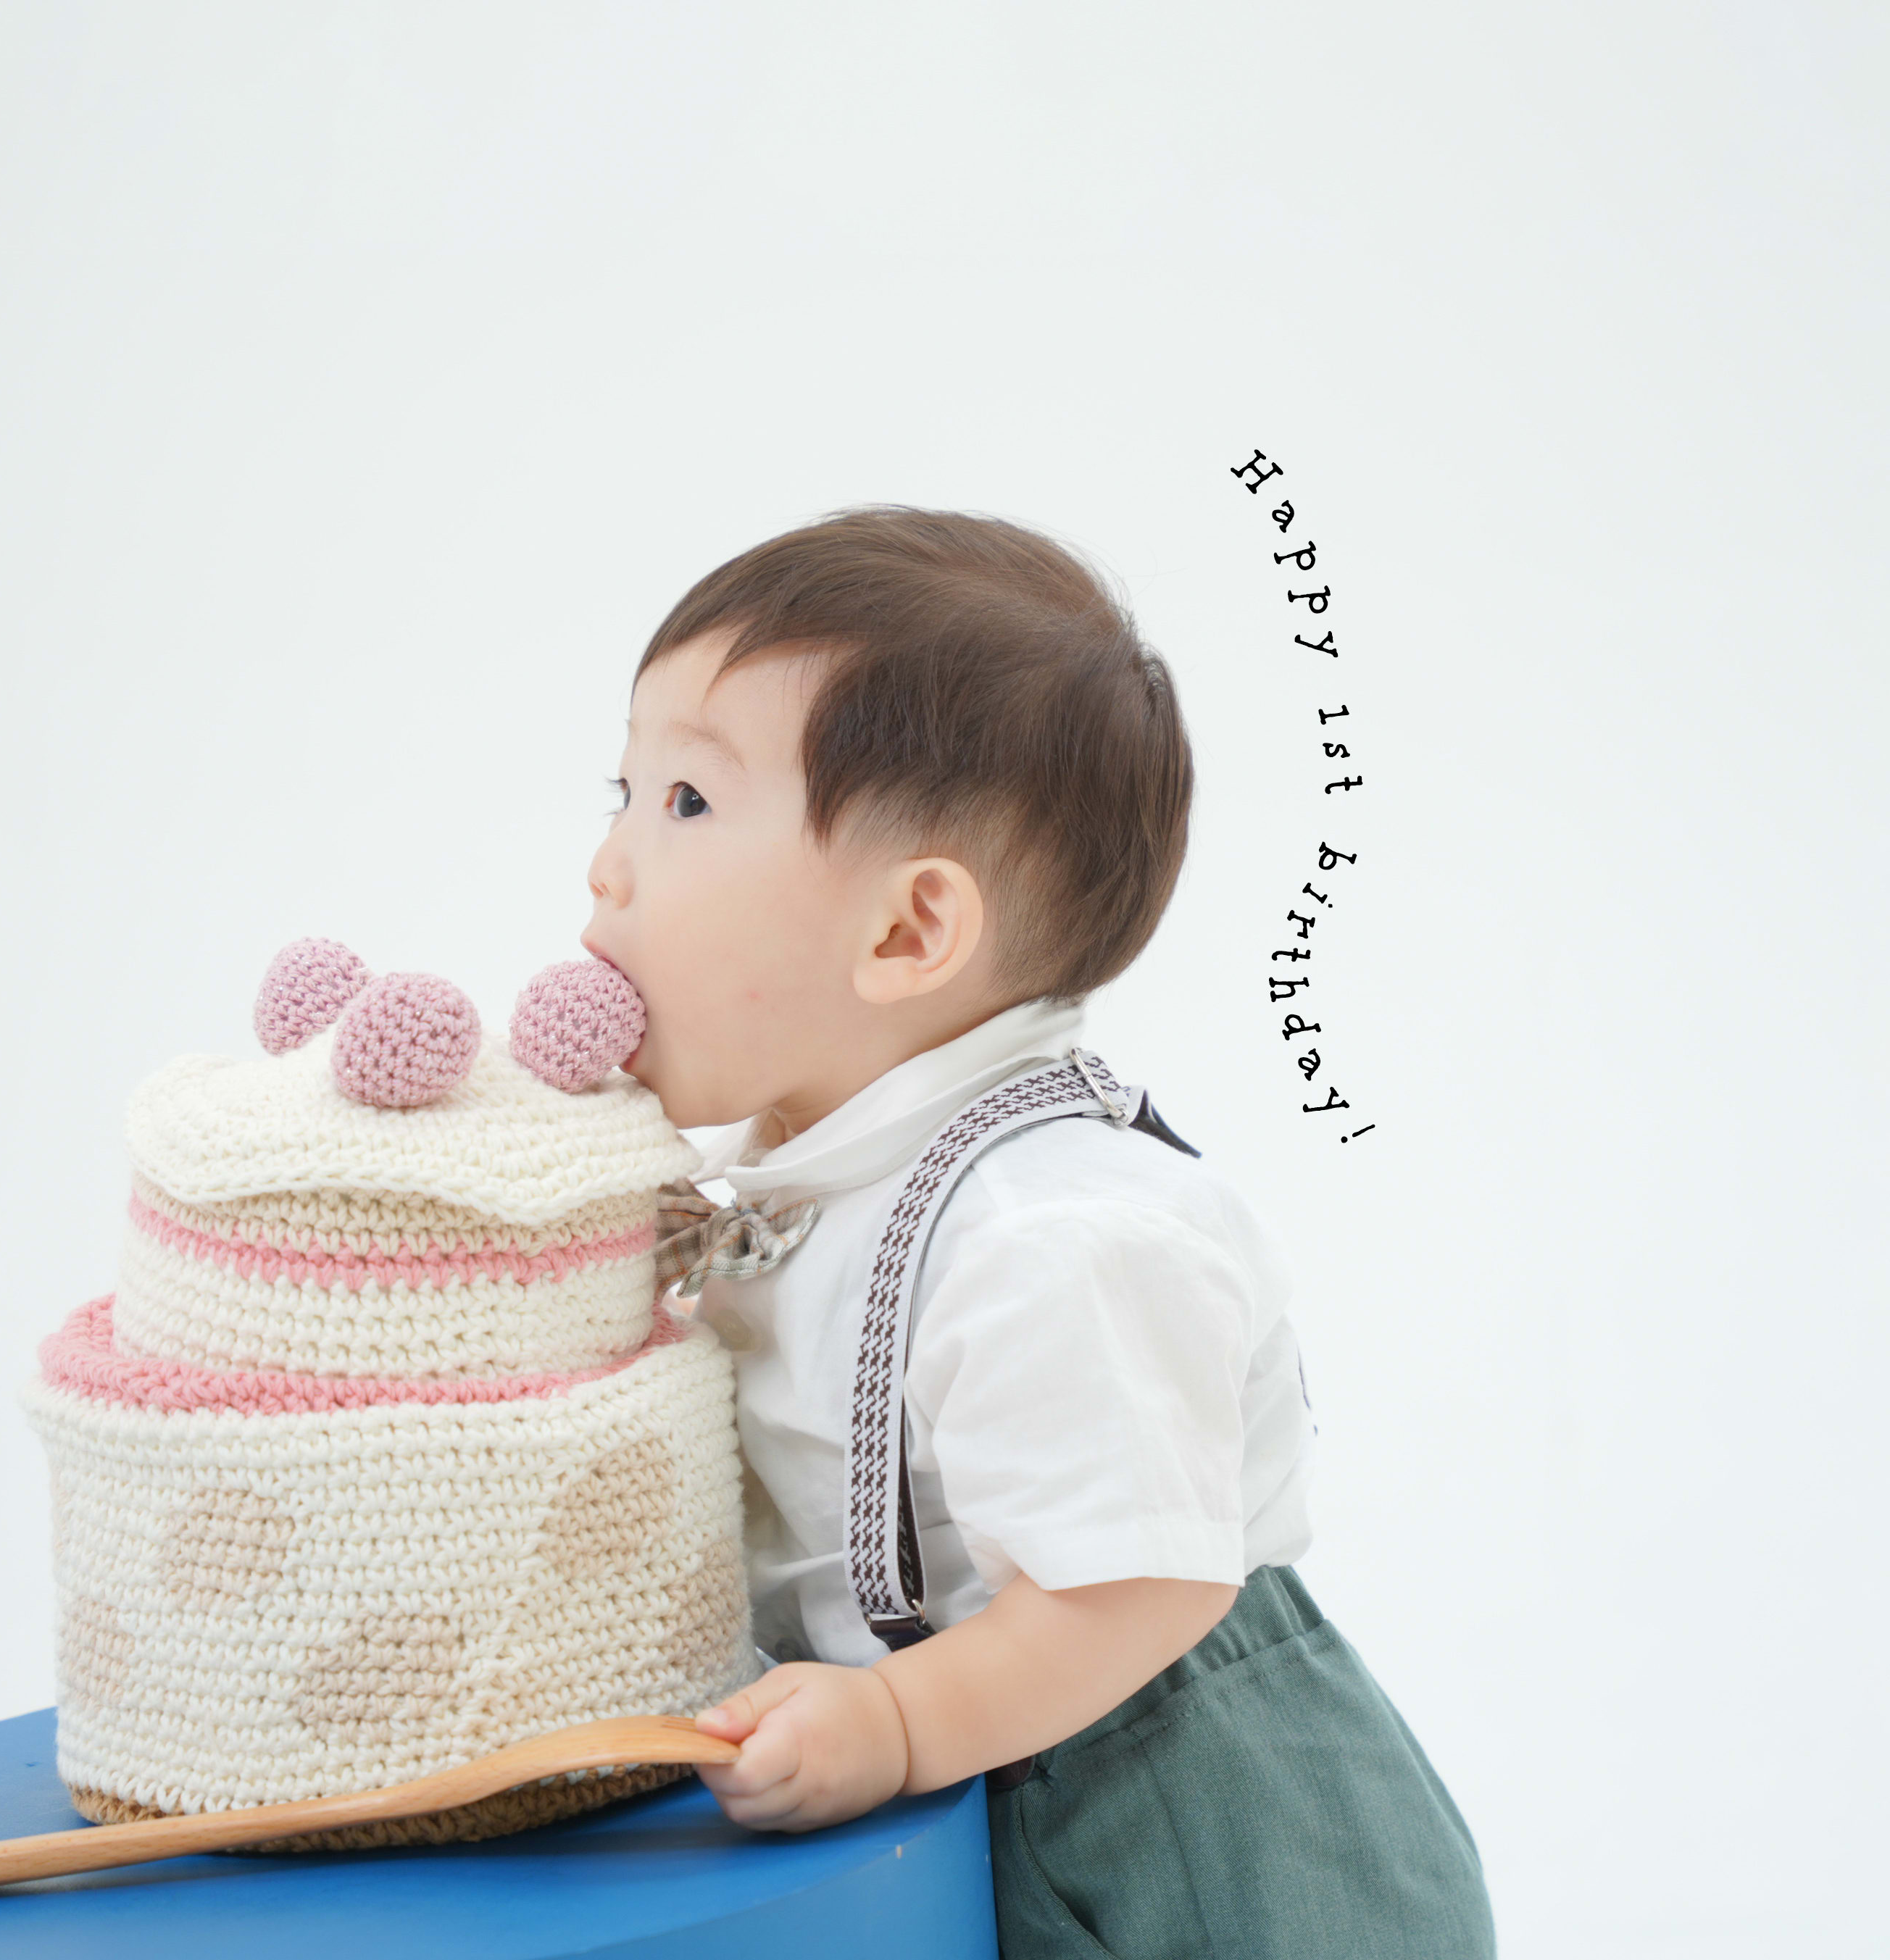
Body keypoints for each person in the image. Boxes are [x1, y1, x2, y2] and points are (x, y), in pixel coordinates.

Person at [580, 506, 1494, 1958]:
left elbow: (1144, 1583)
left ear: (904, 934)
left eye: (684, 804)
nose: (607, 867)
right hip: (971, 1770)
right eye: (618, 793)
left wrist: (893, 1719)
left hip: (1182, 1812)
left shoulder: (1050, 1231)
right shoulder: (803, 1180)